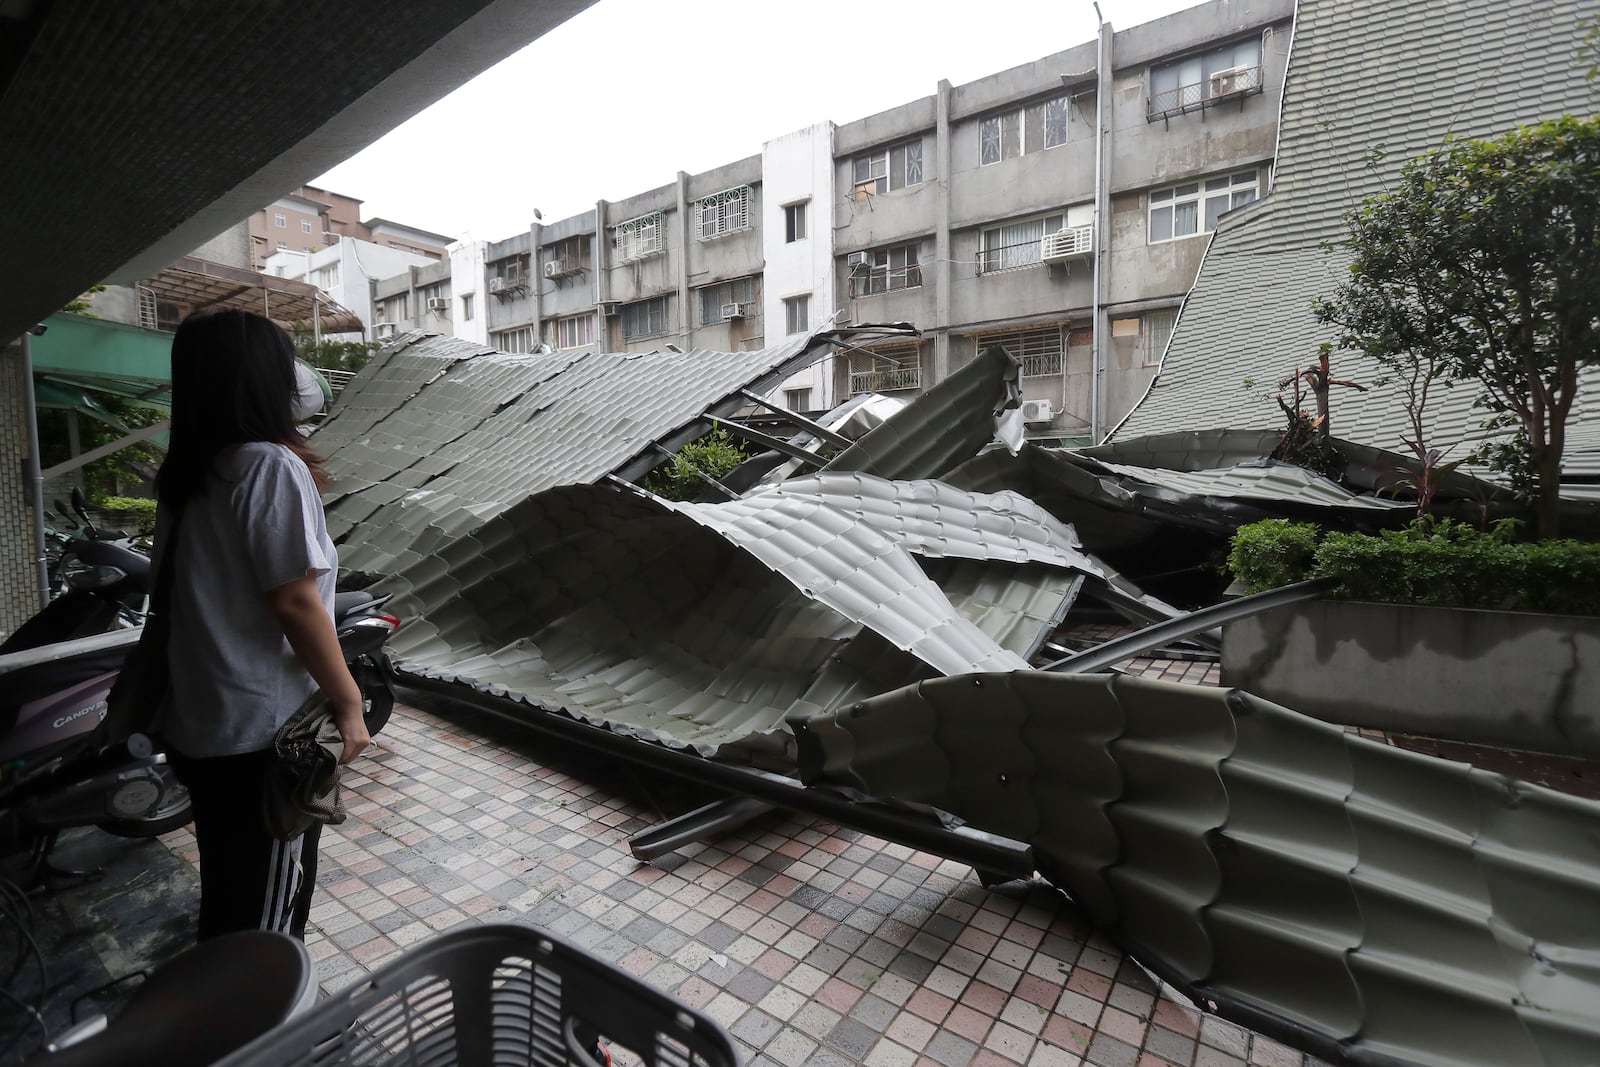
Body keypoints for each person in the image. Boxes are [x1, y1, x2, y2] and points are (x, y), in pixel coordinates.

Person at [153, 309, 369, 941]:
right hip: (259, 736)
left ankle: (226, 1015)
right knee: (268, 916)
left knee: (232, 887)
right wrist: (348, 703)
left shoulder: (192, 473)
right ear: (261, 381)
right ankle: (261, 1027)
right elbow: (296, 602)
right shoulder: (268, 465)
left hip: (202, 724)